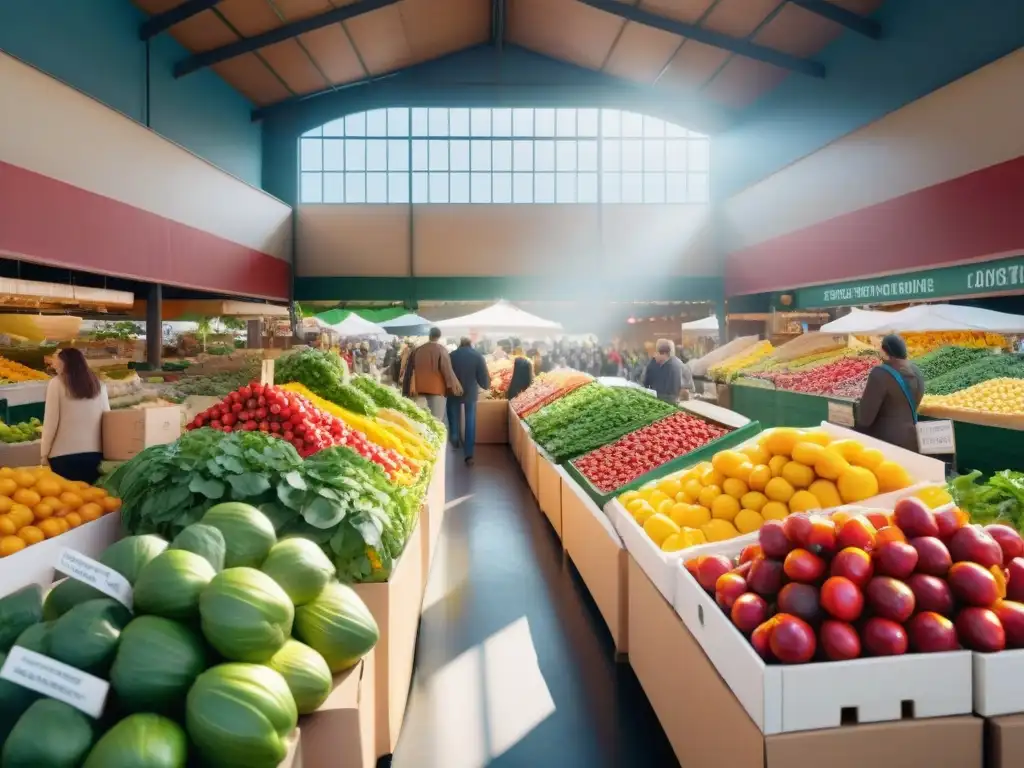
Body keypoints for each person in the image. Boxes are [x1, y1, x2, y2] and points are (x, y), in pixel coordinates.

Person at [40, 348, 109, 484]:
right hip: (95, 456)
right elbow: (107, 420)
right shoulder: (99, 384)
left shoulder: (56, 384)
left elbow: (51, 422)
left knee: (69, 501)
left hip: (63, 457)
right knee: (90, 501)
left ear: (65, 363)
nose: (54, 365)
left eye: (57, 362)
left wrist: (44, 454)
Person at [856, 333, 924, 452]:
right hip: (912, 441)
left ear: (885, 351)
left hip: (886, 443)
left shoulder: (880, 374)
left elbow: (865, 419)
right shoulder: (917, 371)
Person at [402, 327, 463, 422]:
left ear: (429, 335)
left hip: (418, 389)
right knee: (436, 422)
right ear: (439, 336)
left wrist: (406, 390)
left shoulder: (418, 350)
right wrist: (455, 386)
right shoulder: (441, 350)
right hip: (437, 390)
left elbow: (409, 370)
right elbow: (447, 370)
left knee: (421, 420)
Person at [447, 338, 490, 466]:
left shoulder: (451, 355)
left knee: (453, 415)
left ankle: (454, 438)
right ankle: (469, 454)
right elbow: (483, 376)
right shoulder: (477, 356)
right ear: (470, 344)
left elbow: (445, 373)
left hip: (453, 391)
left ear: (460, 344)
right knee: (470, 420)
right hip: (470, 392)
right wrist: (486, 385)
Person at [641, 339, 691, 403]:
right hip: (672, 401)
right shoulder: (679, 365)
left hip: (656, 400)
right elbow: (685, 392)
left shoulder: (651, 363)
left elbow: (645, 383)